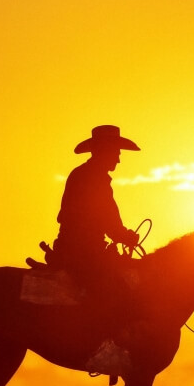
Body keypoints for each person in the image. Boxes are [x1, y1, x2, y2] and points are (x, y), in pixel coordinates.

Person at [51, 125, 141, 325]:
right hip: (83, 251)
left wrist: (121, 234)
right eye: (116, 153)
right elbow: (107, 219)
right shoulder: (94, 179)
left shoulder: (85, 175)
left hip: (78, 248)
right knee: (121, 289)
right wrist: (125, 236)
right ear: (105, 151)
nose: (118, 158)